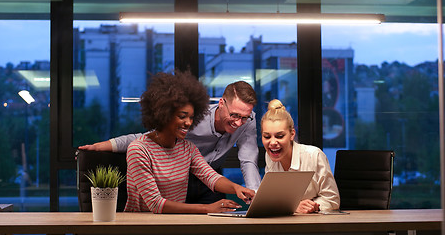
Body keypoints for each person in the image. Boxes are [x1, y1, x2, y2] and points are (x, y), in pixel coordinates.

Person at [79, 81, 261, 204]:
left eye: (244, 117)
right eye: (234, 115)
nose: (239, 123)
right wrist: (102, 146)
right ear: (222, 103)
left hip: (210, 179)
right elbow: (146, 138)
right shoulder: (193, 118)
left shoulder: (247, 122)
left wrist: (252, 194)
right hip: (179, 179)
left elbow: (246, 160)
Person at [123, 71, 255, 213]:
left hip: (175, 223)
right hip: (140, 226)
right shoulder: (138, 150)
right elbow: (156, 204)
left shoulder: (187, 148)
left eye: (191, 117)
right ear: (164, 114)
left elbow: (211, 177)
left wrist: (237, 188)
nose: (188, 123)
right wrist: (208, 208)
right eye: (182, 116)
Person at [260, 99, 340, 214]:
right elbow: (272, 199)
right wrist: (293, 207)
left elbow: (332, 200)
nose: (272, 143)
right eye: (267, 137)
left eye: (280, 136)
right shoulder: (270, 156)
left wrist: (312, 206)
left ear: (292, 134)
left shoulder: (314, 155)